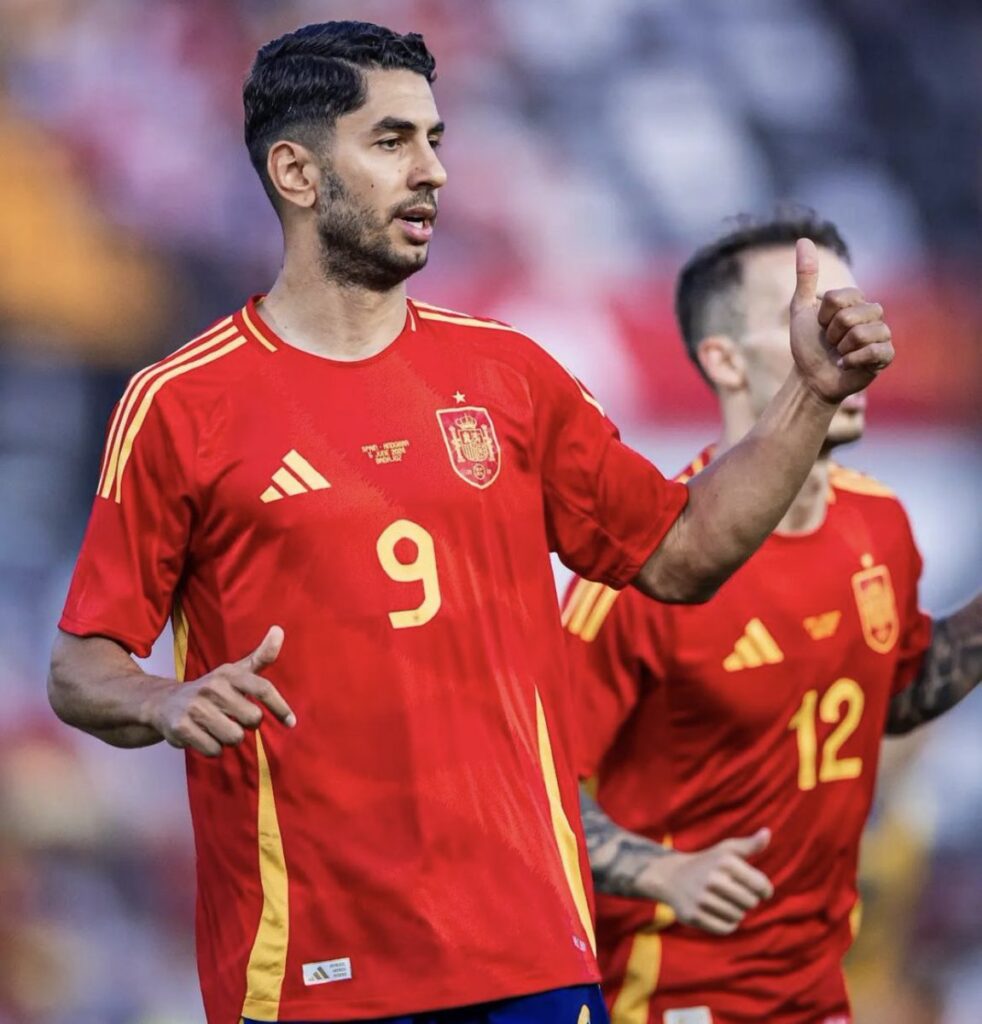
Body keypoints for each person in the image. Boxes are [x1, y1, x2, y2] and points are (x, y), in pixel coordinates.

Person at [47, 21, 895, 1024]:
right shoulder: (181, 403)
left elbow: (682, 552)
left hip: (530, 951)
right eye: (393, 140)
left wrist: (806, 394)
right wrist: (162, 702)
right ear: (296, 171)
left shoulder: (509, 375)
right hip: (314, 967)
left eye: (437, 139)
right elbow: (81, 665)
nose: (435, 171)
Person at [562, 212, 981, 1024]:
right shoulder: (644, 568)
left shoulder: (881, 525)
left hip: (823, 991)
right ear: (722, 359)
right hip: (671, 997)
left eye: (857, 315)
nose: (854, 346)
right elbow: (527, 787)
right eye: (813, 321)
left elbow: (895, 696)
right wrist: (657, 870)